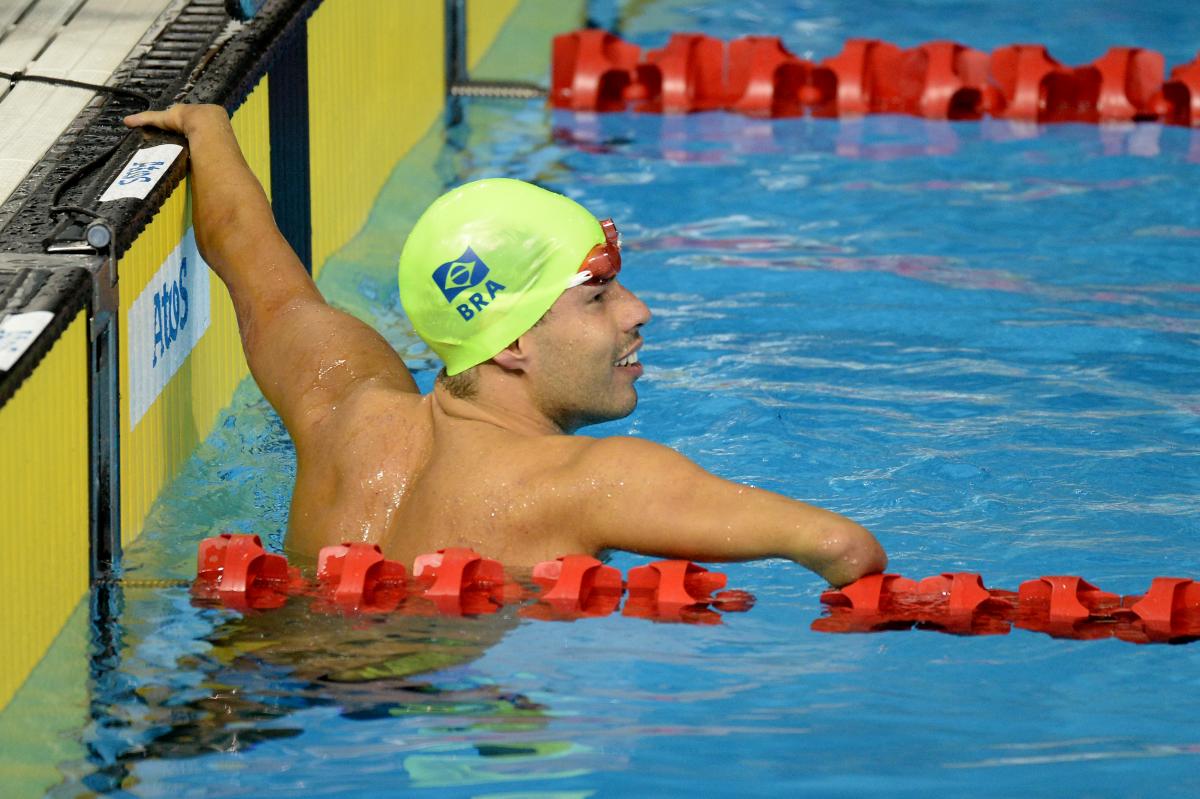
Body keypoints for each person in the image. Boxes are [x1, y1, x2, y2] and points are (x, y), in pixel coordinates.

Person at [123, 104, 887, 587]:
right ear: (514, 342)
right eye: (598, 296)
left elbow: (260, 269)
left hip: (268, 677)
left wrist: (205, 129)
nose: (638, 311)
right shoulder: (589, 481)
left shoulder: (343, 408)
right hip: (423, 714)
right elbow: (844, 547)